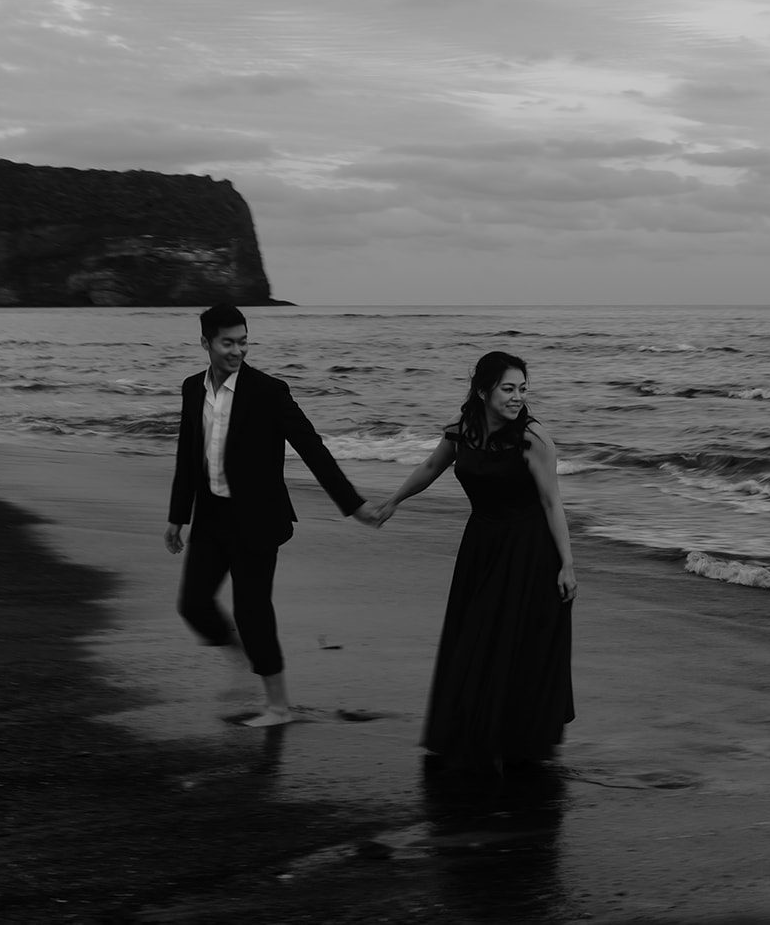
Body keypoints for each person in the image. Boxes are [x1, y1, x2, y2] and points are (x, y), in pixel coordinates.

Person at [164, 304, 382, 727]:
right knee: (192, 604)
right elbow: (188, 456)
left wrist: (353, 505)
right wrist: (178, 515)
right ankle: (241, 655)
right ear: (205, 343)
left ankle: (278, 707)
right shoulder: (193, 389)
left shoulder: (268, 391)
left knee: (252, 611)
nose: (237, 351)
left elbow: (310, 446)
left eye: (243, 342)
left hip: (257, 521)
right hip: (211, 518)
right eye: (228, 343)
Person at [377, 350, 577, 771]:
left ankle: (513, 738)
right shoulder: (462, 431)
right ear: (484, 391)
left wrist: (567, 564)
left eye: (523, 389)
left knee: (510, 643)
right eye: (508, 388)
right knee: (474, 636)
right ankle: (470, 732)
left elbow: (551, 502)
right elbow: (432, 467)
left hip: (527, 551)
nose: (517, 397)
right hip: (481, 544)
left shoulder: (534, 438)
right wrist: (394, 500)